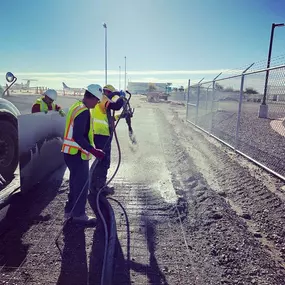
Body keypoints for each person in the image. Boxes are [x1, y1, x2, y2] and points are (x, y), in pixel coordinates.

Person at [61, 84, 105, 224]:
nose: (97, 103)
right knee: (81, 185)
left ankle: (69, 211)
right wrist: (94, 151)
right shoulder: (84, 111)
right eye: (97, 100)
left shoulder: (76, 106)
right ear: (91, 97)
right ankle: (79, 214)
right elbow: (78, 137)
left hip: (69, 153)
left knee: (74, 183)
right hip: (77, 154)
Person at [90, 84, 126, 195]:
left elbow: (108, 119)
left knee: (100, 160)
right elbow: (116, 106)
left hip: (100, 133)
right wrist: (122, 97)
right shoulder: (102, 98)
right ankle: (100, 187)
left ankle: (95, 185)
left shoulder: (101, 103)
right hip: (102, 134)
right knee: (104, 162)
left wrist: (121, 116)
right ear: (109, 93)